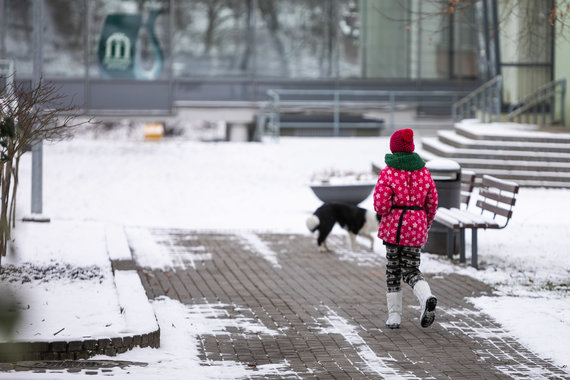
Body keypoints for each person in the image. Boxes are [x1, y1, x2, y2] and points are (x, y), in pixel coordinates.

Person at [373, 128, 439, 329]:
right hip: (416, 227)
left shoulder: (388, 172)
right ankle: (426, 296)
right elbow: (432, 201)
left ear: (394, 148)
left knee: (393, 270)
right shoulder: (423, 171)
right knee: (411, 268)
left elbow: (381, 206)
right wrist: (424, 223)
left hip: (394, 228)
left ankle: (394, 316)